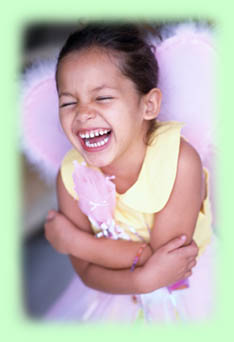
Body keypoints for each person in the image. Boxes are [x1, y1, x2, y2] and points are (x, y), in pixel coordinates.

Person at [44, 22, 215, 322]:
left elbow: (165, 266)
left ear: (148, 105)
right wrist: (139, 280)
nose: (83, 113)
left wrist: (75, 242)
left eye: (103, 97)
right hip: (114, 295)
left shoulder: (179, 162)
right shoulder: (70, 174)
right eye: (69, 102)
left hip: (186, 291)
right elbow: (86, 272)